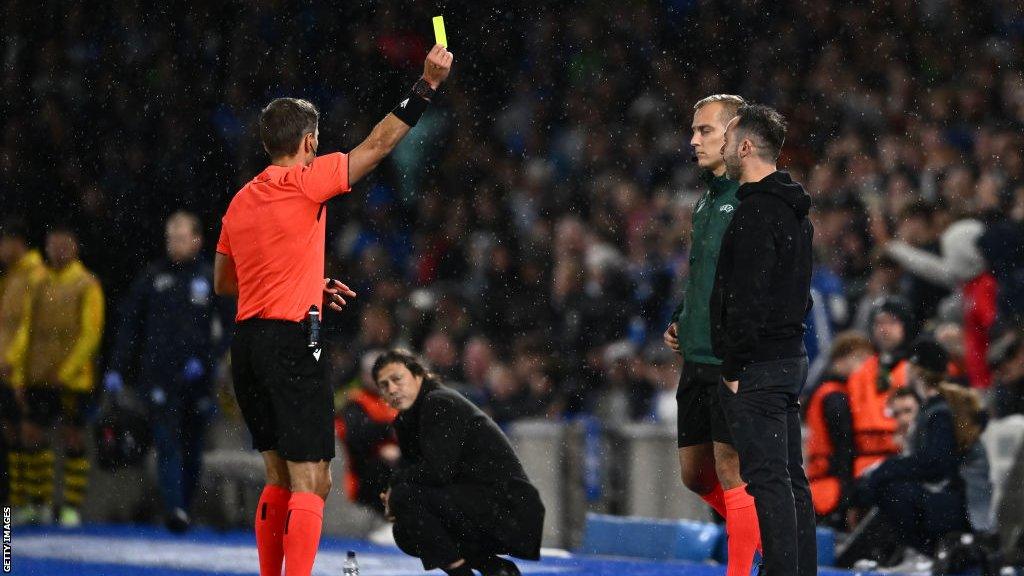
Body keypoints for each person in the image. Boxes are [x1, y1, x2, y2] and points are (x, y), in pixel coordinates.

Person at [213, 45, 453, 576]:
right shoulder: (307, 179)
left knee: (277, 477)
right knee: (312, 480)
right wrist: (426, 87)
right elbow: (379, 143)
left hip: (246, 347)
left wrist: (298, 280)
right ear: (308, 141)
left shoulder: (239, 201)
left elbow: (225, 281)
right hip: (291, 343)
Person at [710, 103, 816, 576]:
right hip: (789, 355)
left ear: (746, 146)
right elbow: (798, 294)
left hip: (760, 364)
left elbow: (746, 299)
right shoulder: (795, 211)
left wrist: (733, 367)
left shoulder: (756, 212)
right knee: (790, 479)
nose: (723, 149)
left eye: (729, 139)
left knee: (769, 481)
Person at [662, 93, 761, 576]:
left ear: (736, 135)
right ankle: (766, 537)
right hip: (696, 356)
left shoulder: (751, 198)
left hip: (730, 358)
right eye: (694, 130)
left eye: (705, 131)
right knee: (695, 474)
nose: (693, 139)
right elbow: (702, 275)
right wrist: (683, 318)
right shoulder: (706, 200)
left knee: (731, 469)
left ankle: (742, 568)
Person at [104, 211, 234, 532]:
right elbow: (130, 326)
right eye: (169, 238)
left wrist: (208, 359)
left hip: (198, 379)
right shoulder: (152, 277)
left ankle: (184, 508)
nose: (173, 244)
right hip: (159, 377)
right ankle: (175, 508)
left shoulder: (211, 278)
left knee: (192, 447)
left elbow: (230, 327)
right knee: (166, 442)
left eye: (179, 237)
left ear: (196, 240)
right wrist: (117, 367)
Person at [375, 349, 545, 576]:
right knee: (405, 532)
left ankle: (463, 573)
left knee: (407, 498)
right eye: (384, 386)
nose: (392, 389)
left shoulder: (438, 402)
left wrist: (395, 490)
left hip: (510, 510)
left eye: (397, 379)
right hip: (476, 503)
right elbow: (414, 471)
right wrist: (394, 493)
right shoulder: (407, 419)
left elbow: (437, 472)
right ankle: (495, 568)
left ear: (419, 375)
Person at [852, 339, 971, 569]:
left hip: (955, 500)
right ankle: (916, 552)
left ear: (916, 369)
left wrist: (885, 470)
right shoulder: (934, 407)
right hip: (950, 494)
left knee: (889, 489)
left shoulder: (940, 411)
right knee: (881, 483)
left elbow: (935, 464)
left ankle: (924, 552)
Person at [13, 226, 104, 527]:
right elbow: (26, 329)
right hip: (38, 374)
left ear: (75, 246)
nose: (58, 250)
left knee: (72, 437)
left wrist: (66, 371)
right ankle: (39, 503)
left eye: (64, 244)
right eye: (53, 244)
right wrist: (19, 371)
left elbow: (91, 334)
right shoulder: (37, 284)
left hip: (73, 379)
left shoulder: (86, 283)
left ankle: (70, 508)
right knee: (31, 435)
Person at [804, 331, 873, 529]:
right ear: (840, 359)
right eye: (859, 358)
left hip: (821, 481)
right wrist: (850, 494)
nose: (865, 366)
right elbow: (844, 448)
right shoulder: (836, 397)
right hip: (831, 485)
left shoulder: (825, 391)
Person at [0, 218, 46, 508]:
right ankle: (16, 503)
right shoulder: (11, 276)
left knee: (29, 432)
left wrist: (13, 361)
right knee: (10, 432)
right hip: (6, 367)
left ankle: (37, 503)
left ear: (17, 243)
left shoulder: (35, 276)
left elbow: (29, 327)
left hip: (23, 370)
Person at [846, 296, 914, 479]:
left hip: (905, 458)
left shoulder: (915, 369)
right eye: (879, 323)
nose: (884, 329)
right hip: (864, 463)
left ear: (905, 326)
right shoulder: (859, 372)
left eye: (891, 322)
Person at [335, 349, 398, 514]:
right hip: (363, 471)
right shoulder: (355, 402)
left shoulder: (394, 401)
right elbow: (356, 436)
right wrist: (389, 430)